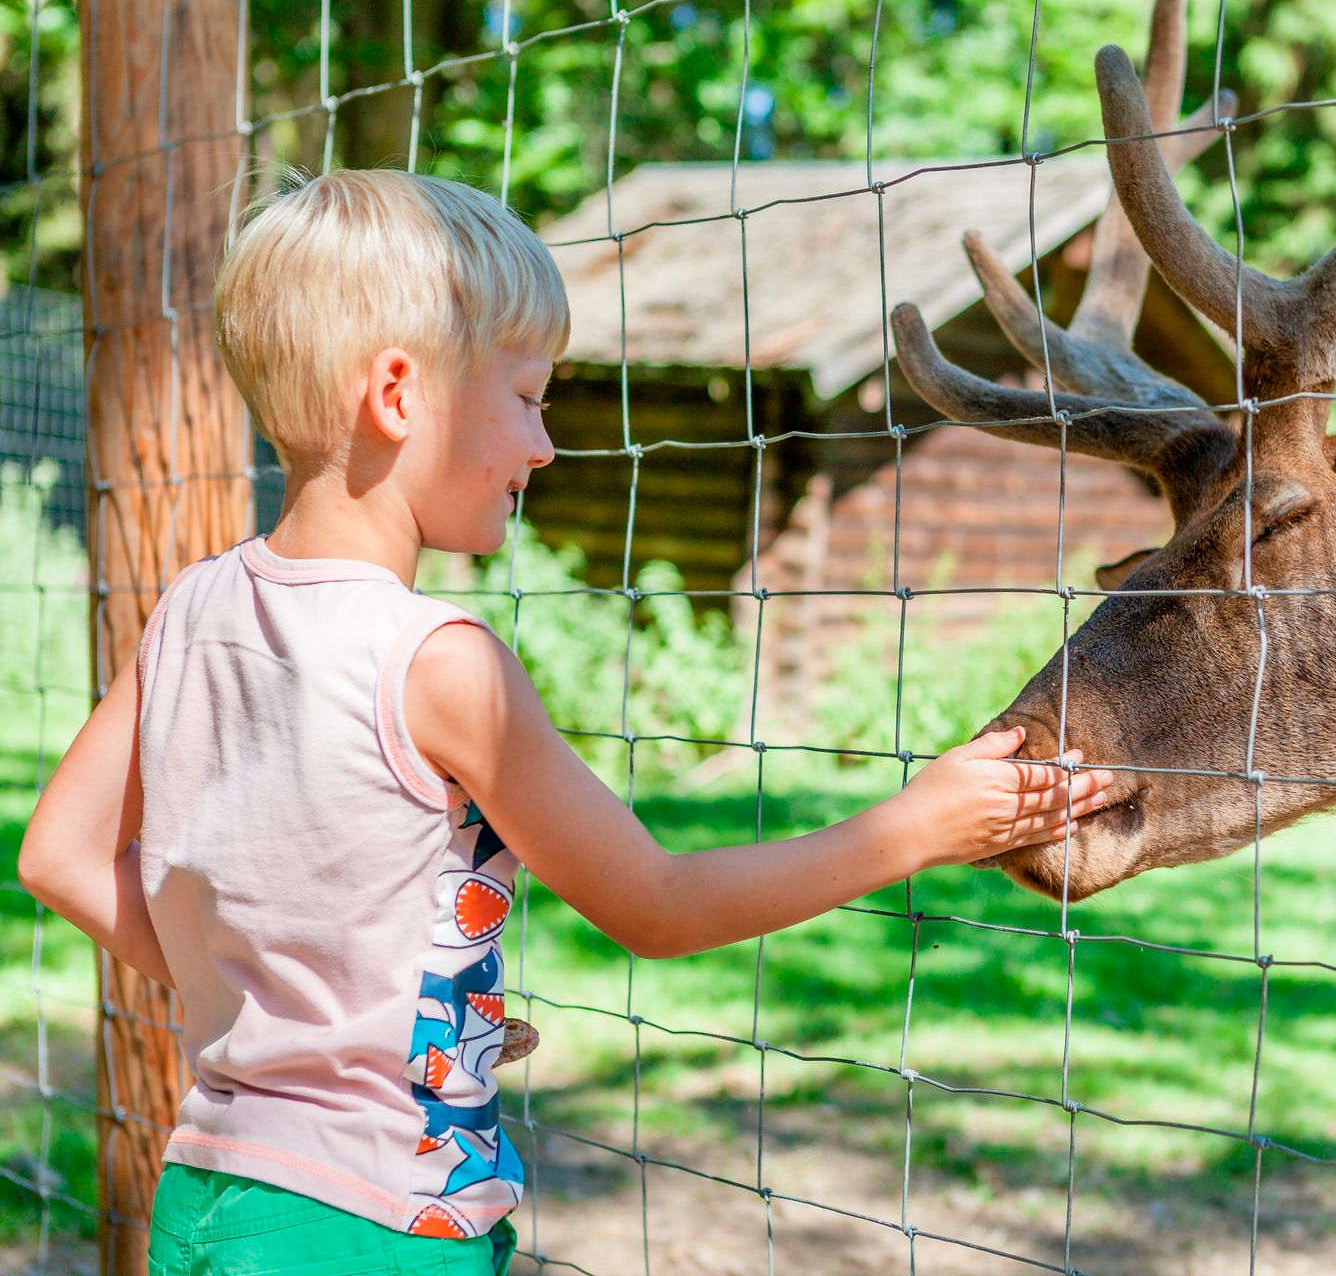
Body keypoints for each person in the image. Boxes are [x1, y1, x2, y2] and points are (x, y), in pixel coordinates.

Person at [17, 168, 1112, 1275]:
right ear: (398, 394)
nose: (544, 445)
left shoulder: (193, 609)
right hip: (372, 1229)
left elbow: (58, 855)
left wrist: (312, 1013)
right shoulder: (440, 665)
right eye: (530, 396)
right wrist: (915, 825)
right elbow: (657, 904)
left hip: (210, 1196)